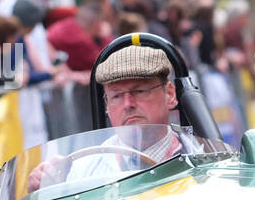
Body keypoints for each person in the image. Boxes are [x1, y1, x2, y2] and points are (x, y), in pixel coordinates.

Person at [26, 46, 182, 192]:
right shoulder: (82, 173)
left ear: (169, 94)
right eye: (116, 96)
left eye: (140, 91)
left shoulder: (197, 154)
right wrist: (47, 190)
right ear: (106, 104)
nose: (128, 104)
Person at [47, 0, 108, 72]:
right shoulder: (80, 40)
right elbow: (105, 64)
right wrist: (106, 37)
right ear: (96, 23)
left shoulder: (69, 23)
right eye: (102, 21)